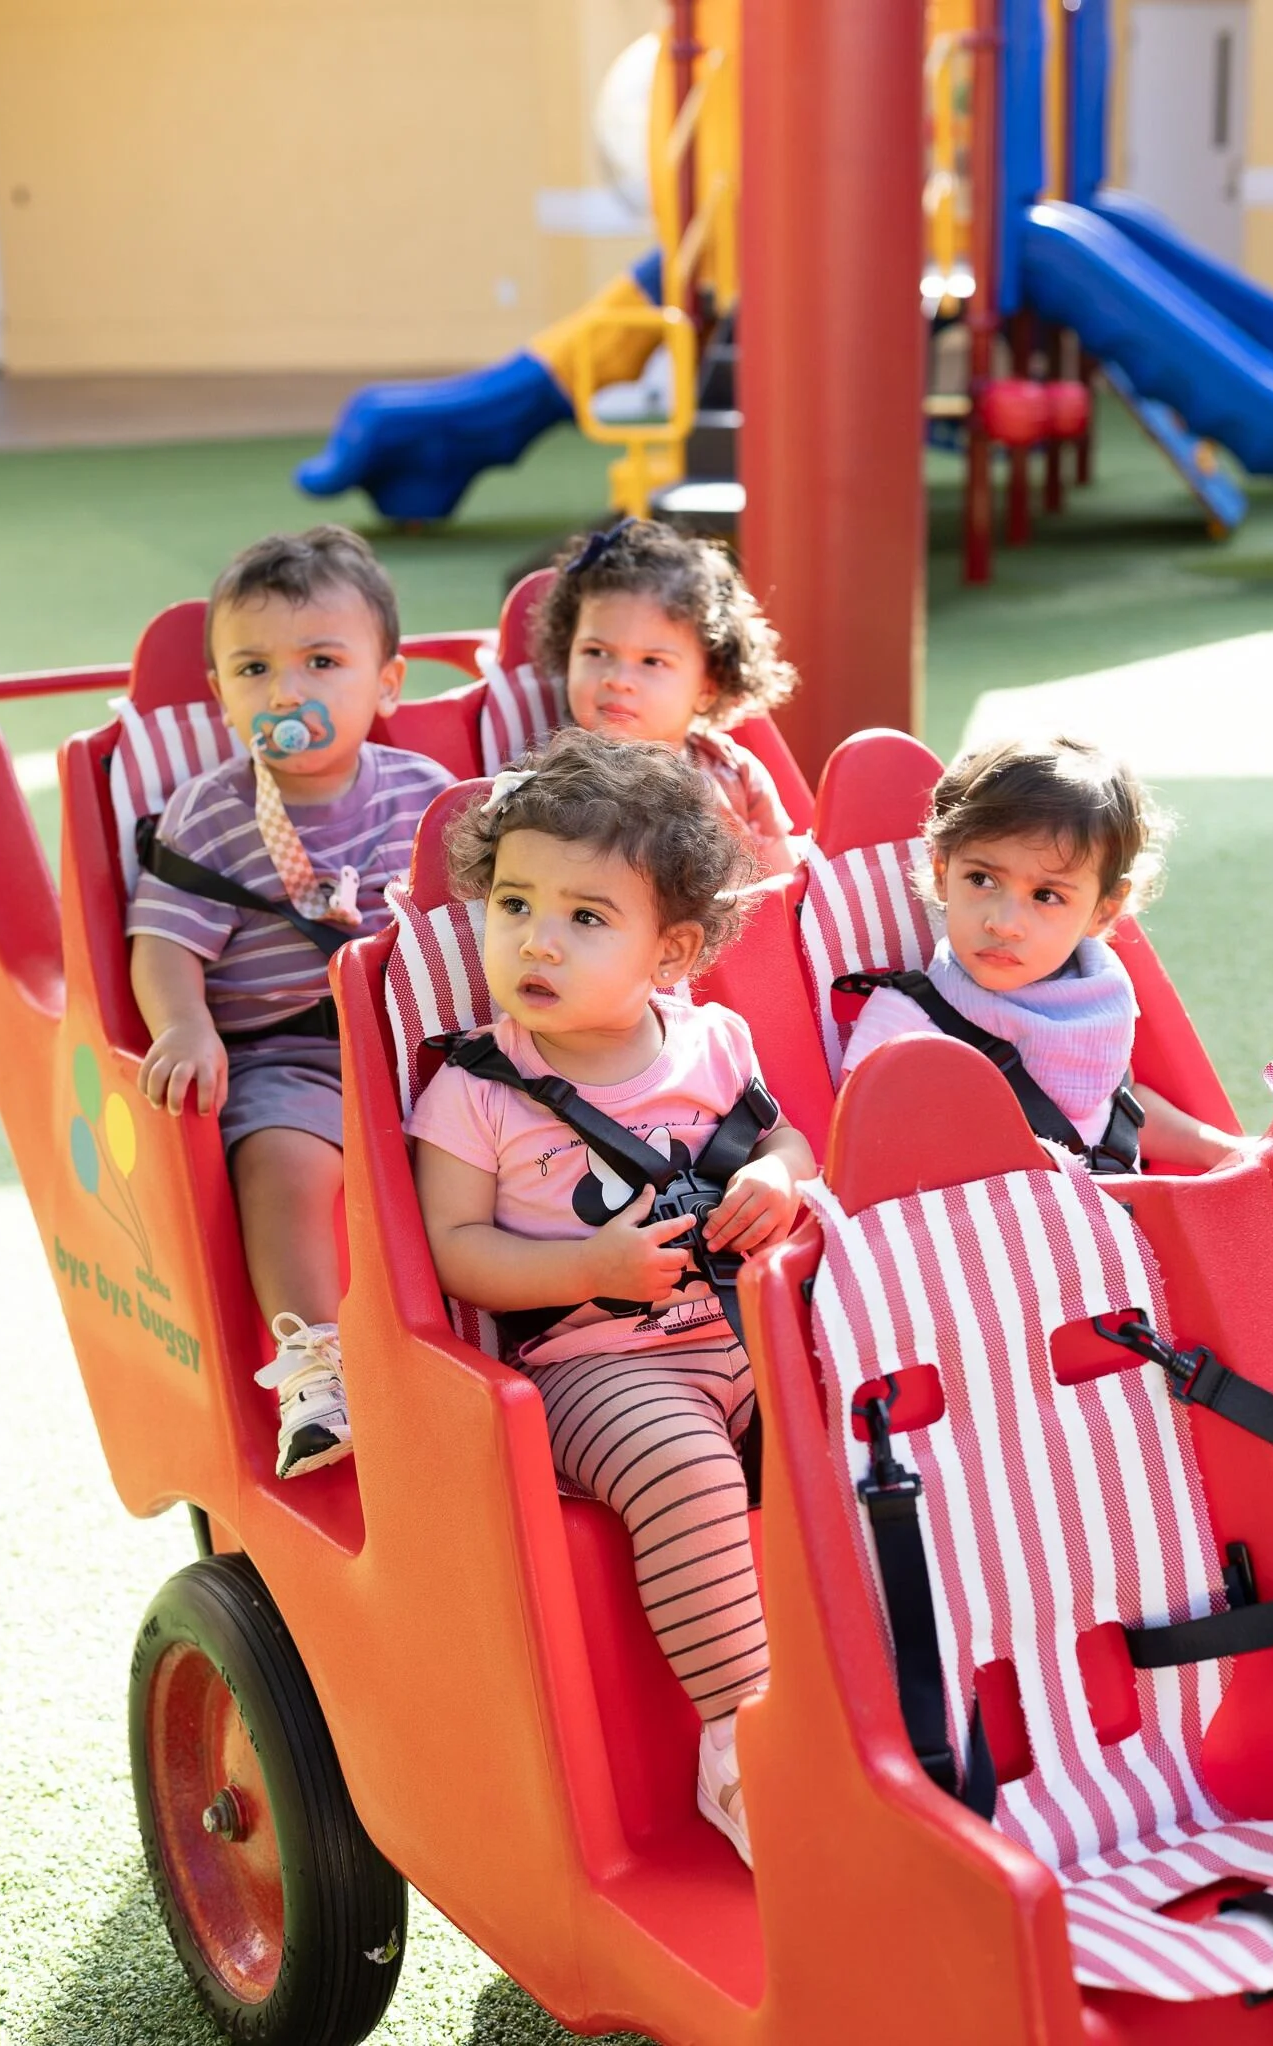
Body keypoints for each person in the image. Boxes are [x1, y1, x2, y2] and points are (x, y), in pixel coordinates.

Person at [408, 728, 815, 1865]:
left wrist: (777, 1179)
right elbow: (453, 1252)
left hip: (746, 1336)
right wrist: (585, 1271)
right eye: (515, 905)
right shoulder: (476, 1090)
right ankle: (739, 1749)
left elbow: (786, 1142)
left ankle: (887, 1696)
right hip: (595, 1372)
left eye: (586, 917)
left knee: (879, 1415)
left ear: (670, 951)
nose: (537, 939)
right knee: (682, 1465)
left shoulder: (714, 1042)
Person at [127, 526, 453, 1478]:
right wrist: (184, 1024)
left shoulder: (426, 795)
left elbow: (474, 927)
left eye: (321, 662)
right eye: (254, 669)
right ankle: (315, 1368)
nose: (286, 691)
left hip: (417, 1053)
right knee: (282, 1163)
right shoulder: (211, 812)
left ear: (386, 684)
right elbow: (164, 943)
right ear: (223, 695)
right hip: (287, 1060)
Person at [843, 736, 1245, 1170]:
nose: (1004, 923)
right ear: (943, 872)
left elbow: (1113, 1113)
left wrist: (1220, 1150)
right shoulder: (904, 1023)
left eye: (1046, 895)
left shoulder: (1093, 999)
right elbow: (861, 1157)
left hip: (1114, 1206)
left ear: (1103, 910)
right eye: (981, 879)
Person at [530, 518, 801, 873]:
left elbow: (789, 885)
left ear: (708, 686)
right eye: (596, 652)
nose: (618, 680)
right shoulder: (554, 784)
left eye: (652, 661)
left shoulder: (736, 773)